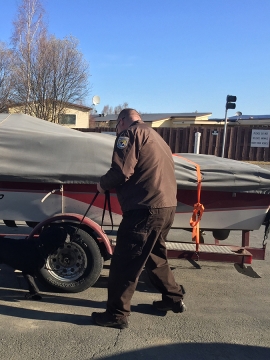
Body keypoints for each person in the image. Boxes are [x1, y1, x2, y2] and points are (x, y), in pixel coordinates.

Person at [92, 108, 186, 329]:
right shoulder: (157, 137)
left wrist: (101, 184)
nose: (117, 132)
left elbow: (121, 172)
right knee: (155, 257)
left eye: (116, 127)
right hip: (166, 207)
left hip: (145, 209)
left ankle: (116, 315)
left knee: (125, 262)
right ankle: (173, 298)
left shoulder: (129, 135)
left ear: (122, 121)